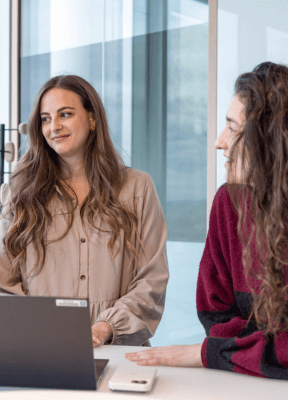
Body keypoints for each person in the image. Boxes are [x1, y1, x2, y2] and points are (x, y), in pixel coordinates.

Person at [126, 62, 288, 379]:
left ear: (270, 137)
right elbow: (214, 313)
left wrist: (211, 353)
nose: (219, 142)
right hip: (239, 380)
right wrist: (252, 350)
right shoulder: (228, 203)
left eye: (233, 128)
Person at [0, 75, 169, 347]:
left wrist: (106, 328)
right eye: (45, 119)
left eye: (65, 114)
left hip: (119, 348)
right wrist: (42, 329)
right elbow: (4, 282)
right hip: (42, 348)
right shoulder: (18, 194)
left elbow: (152, 279)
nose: (54, 126)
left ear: (92, 119)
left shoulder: (137, 187)